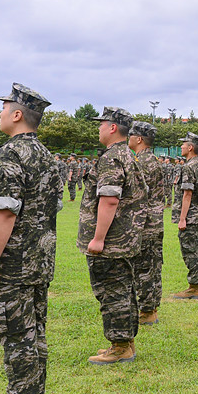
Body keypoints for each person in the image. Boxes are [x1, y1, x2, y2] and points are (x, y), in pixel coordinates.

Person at [0, 83, 61, 394]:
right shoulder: (44, 154)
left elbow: (6, 212)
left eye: (3, 107)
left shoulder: (11, 155)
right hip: (37, 261)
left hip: (12, 263)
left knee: (16, 335)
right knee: (33, 331)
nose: (0, 113)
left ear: (17, 113)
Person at [78, 107, 146, 364]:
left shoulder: (111, 157)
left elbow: (108, 200)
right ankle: (125, 340)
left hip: (111, 241)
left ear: (113, 127)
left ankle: (120, 346)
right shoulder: (125, 154)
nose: (99, 128)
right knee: (123, 289)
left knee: (112, 291)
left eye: (101, 124)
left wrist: (98, 238)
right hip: (123, 238)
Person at [128, 121, 165, 325]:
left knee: (144, 269)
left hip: (144, 223)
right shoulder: (153, 161)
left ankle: (147, 312)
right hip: (154, 221)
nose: (129, 138)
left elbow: (136, 196)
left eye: (132, 135)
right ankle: (151, 309)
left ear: (139, 139)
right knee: (152, 266)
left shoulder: (141, 163)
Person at [172, 132, 198, 299]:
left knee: (190, 251)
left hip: (190, 216)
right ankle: (197, 285)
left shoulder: (188, 166)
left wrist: (182, 218)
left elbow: (187, 194)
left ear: (191, 147)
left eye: (184, 144)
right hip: (197, 214)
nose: (181, 146)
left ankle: (194, 287)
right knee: (196, 250)